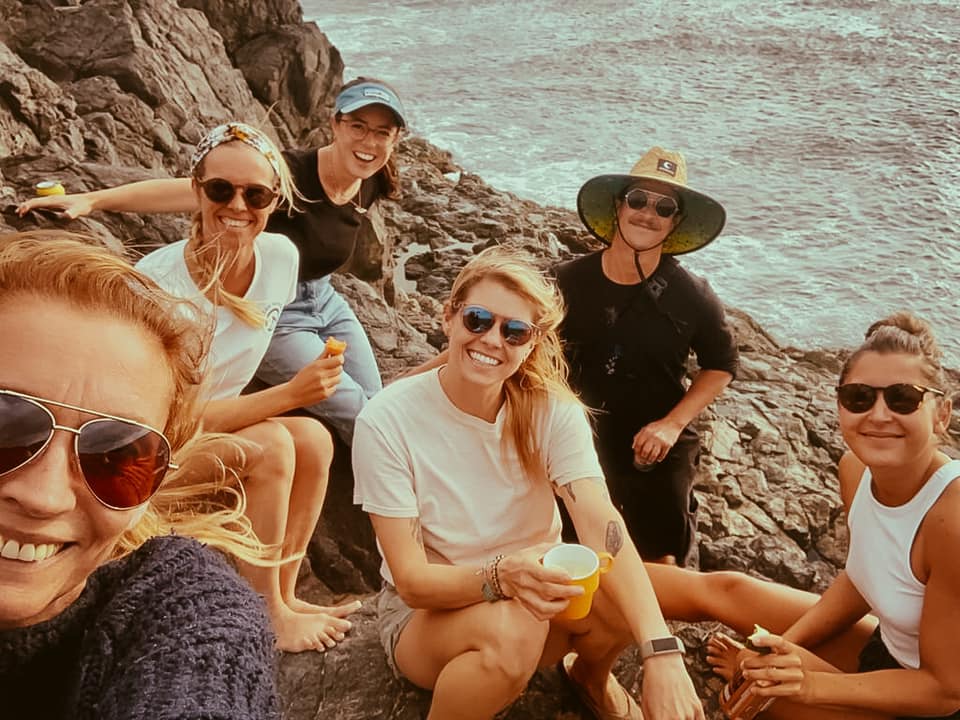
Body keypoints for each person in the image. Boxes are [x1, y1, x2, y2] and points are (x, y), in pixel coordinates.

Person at [352, 246, 704, 720]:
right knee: (509, 630)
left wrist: (660, 651)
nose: (493, 340)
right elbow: (413, 582)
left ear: (532, 344)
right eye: (478, 320)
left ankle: (589, 679)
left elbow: (601, 520)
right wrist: (502, 576)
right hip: (430, 619)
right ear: (448, 318)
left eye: (514, 331)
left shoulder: (551, 410)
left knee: (627, 594)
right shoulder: (387, 419)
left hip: (538, 594)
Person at [16, 77, 407, 445]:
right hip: (274, 305)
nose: (368, 141)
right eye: (357, 126)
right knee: (359, 412)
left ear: (395, 139)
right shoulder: (284, 176)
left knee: (379, 401)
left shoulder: (371, 176)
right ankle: (399, 498)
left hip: (323, 296)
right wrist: (93, 200)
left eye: (381, 133)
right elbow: (194, 194)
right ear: (334, 124)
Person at [0, 231, 279, 719]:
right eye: (6, 426)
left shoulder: (186, 612)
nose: (44, 497)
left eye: (116, 455)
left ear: (156, 485)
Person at [645, 312, 960, 719]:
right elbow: (868, 573)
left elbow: (944, 690)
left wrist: (807, 682)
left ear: (942, 414)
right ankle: (580, 583)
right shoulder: (856, 470)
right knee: (728, 590)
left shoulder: (950, 522)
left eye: (903, 398)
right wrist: (781, 645)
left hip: (933, 700)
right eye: (859, 398)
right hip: (889, 649)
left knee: (764, 698)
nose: (879, 415)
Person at [134, 120, 359, 653]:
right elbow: (156, 419)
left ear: (273, 200)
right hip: (144, 454)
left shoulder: (280, 258)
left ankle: (284, 590)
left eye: (255, 193)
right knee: (277, 442)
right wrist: (289, 395)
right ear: (196, 190)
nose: (238, 205)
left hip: (199, 437)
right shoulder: (154, 284)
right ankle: (266, 617)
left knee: (315, 440)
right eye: (220, 189)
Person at [557, 146, 739, 566]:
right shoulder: (567, 280)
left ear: (675, 222)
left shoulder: (693, 295)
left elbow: (722, 364)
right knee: (571, 552)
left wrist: (672, 425)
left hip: (655, 446)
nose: (647, 213)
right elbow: (526, 343)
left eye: (664, 207)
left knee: (663, 558)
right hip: (579, 435)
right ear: (618, 207)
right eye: (637, 200)